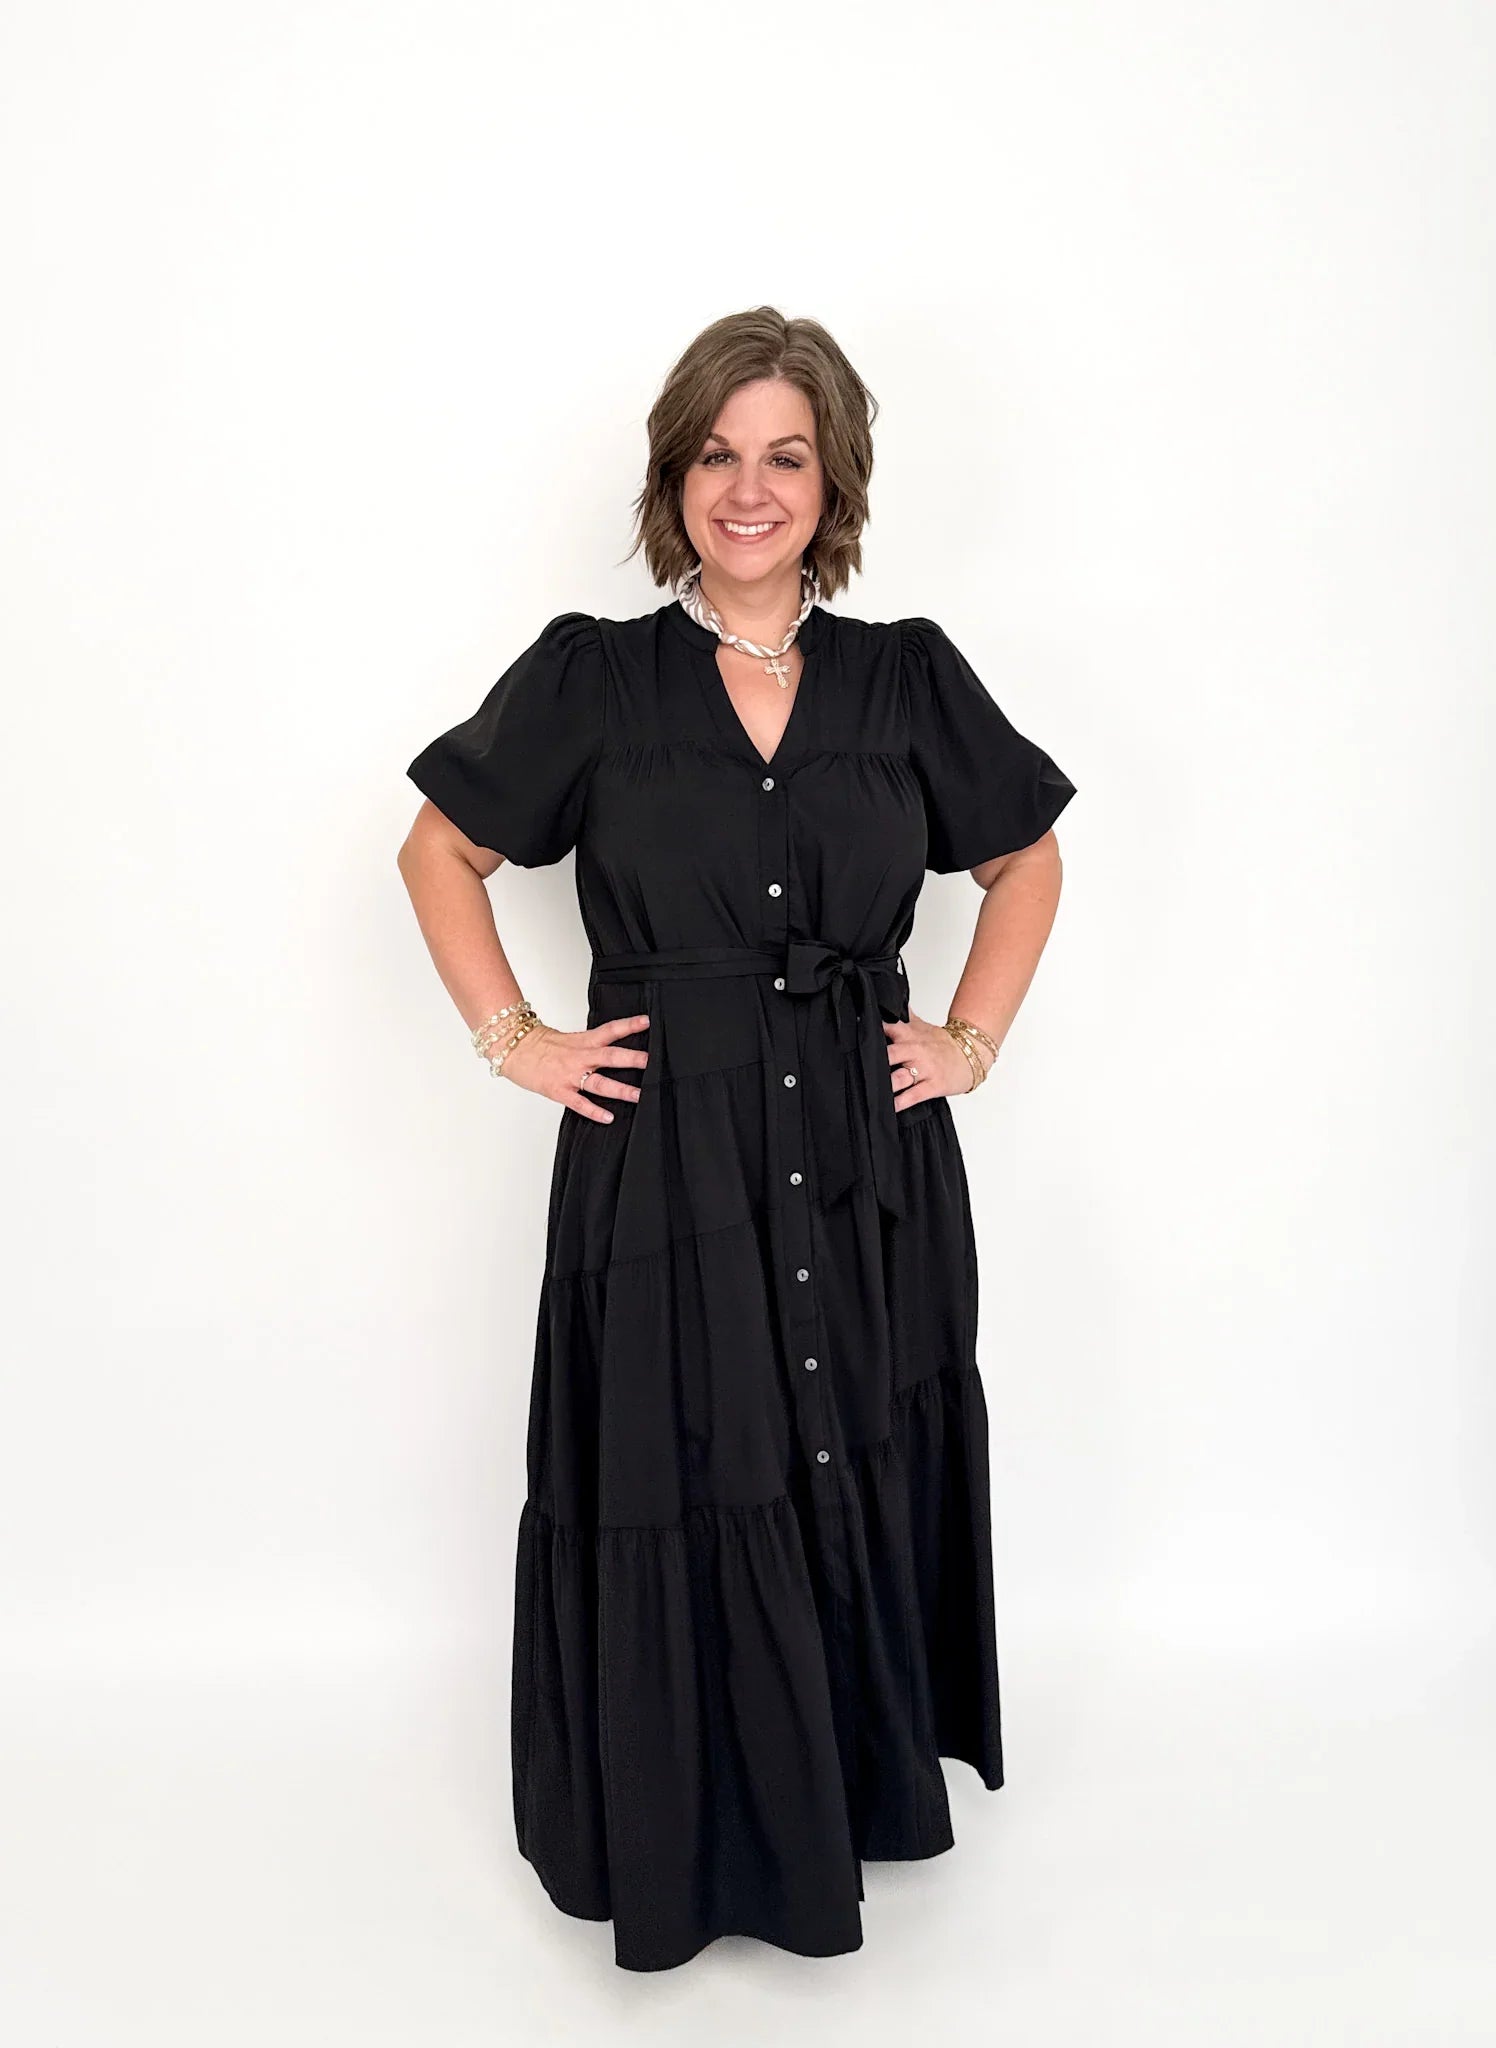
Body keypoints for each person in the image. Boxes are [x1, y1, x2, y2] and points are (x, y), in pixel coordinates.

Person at [397, 305, 1077, 1972]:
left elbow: (1027, 858)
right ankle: (689, 1824)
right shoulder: (595, 675)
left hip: (863, 1149)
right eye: (716, 454)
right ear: (673, 476)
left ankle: (845, 1791)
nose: (749, 489)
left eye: (785, 455)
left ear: (833, 479)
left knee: (849, 1444)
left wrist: (968, 1041)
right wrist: (515, 1040)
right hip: (666, 1162)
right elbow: (437, 852)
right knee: (682, 1457)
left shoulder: (907, 676)